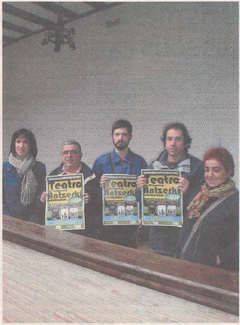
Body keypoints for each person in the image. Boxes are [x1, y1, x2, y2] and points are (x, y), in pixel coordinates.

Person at [137, 122, 204, 257]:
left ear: (185, 142)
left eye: (178, 139)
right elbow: (143, 203)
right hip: (159, 239)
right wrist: (140, 189)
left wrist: (189, 191)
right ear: (165, 142)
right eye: (169, 139)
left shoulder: (197, 167)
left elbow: (206, 201)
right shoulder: (153, 167)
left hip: (186, 238)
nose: (173, 143)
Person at [178, 147, 239, 271]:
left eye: (216, 170)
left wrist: (222, 257)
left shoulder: (235, 201)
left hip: (215, 272)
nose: (210, 175)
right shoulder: (199, 194)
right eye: (207, 170)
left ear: (228, 171)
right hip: (187, 265)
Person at [92, 119, 147, 248]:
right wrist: (99, 186)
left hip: (130, 224)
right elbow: (92, 193)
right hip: (106, 223)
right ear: (111, 137)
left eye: (124, 135)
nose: (120, 138)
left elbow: (148, 195)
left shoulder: (140, 162)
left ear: (130, 137)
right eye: (117, 135)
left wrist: (141, 188)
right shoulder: (101, 162)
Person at [41, 140, 101, 238]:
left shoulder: (92, 177)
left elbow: (100, 205)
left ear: (80, 155)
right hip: (58, 233)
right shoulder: (53, 176)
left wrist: (91, 199)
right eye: (65, 153)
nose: (69, 156)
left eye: (73, 152)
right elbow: (42, 207)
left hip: (85, 233)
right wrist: (42, 199)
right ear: (61, 156)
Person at [3, 128, 46, 224]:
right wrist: (10, 221)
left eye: (25, 142)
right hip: (8, 222)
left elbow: (40, 200)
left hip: (32, 223)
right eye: (18, 141)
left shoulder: (39, 168)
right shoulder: (4, 167)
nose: (21, 146)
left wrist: (31, 223)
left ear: (31, 145)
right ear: (14, 144)